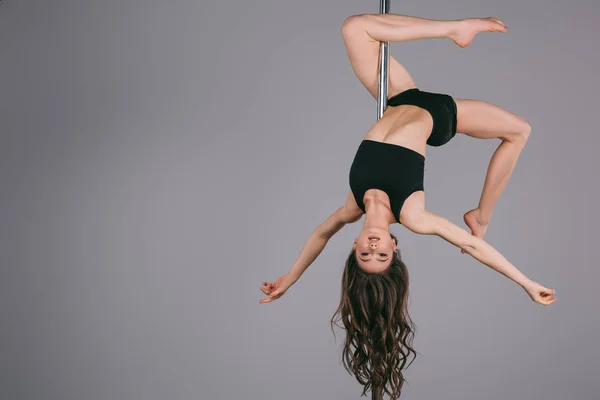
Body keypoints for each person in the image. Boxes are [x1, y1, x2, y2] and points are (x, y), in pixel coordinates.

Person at [259, 12, 557, 399]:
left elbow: (319, 235)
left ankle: (453, 29)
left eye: (365, 254)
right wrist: (526, 283)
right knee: (520, 132)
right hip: (442, 115)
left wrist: (290, 278)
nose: (373, 247)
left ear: (354, 246)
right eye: (381, 256)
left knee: (354, 27)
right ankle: (480, 215)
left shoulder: (352, 206)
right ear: (393, 248)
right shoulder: (412, 214)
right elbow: (470, 246)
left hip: (398, 96)